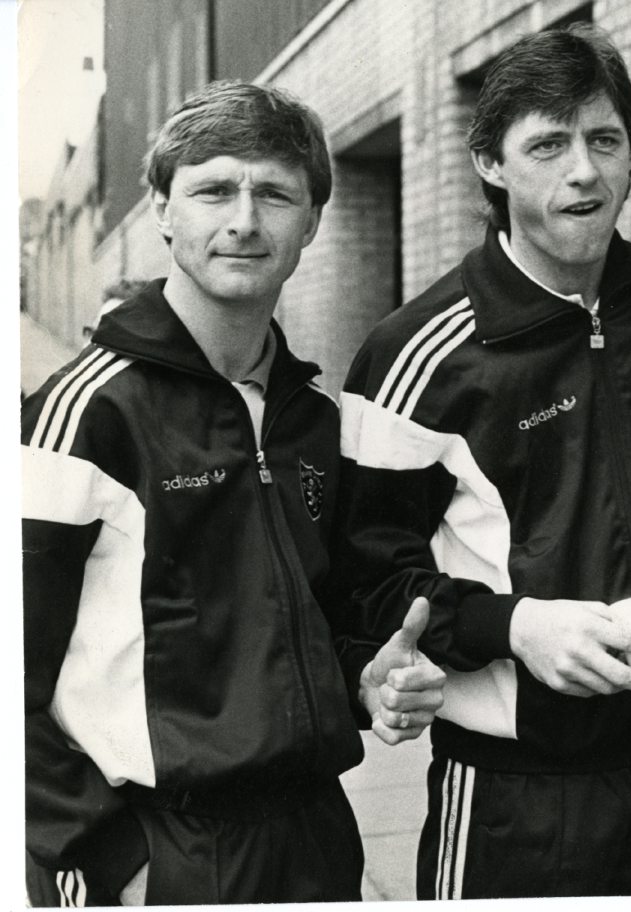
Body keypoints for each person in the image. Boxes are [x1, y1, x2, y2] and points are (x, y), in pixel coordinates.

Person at [332, 24, 631, 899]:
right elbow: (367, 581)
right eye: (548, 143)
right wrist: (516, 628)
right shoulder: (413, 356)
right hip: (509, 793)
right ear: (489, 164)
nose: (584, 170)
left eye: (605, 140)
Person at [22, 81, 445, 906]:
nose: (245, 220)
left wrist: (363, 677)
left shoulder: (314, 421)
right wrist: (109, 860)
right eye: (214, 188)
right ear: (162, 210)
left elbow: (307, 618)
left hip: (315, 838)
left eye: (274, 194)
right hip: (162, 849)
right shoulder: (87, 413)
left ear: (312, 221)